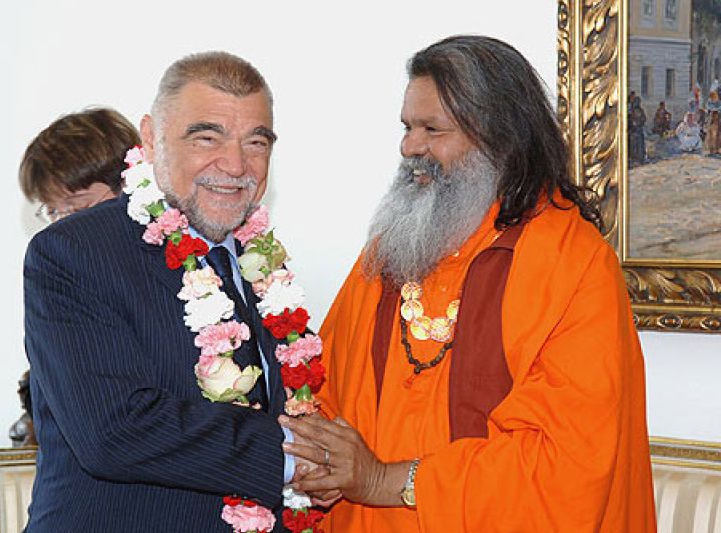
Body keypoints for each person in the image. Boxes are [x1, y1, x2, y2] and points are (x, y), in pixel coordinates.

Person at [281, 35, 656, 532]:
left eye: (432, 129)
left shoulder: (572, 264)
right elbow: (325, 387)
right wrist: (318, 462)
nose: (409, 147)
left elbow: (565, 464)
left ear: (498, 139)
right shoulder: (395, 247)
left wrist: (384, 481)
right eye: (407, 127)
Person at [23, 52, 307, 532]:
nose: (235, 164)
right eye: (207, 137)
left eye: (256, 142)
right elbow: (113, 430)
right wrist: (300, 459)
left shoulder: (262, 263)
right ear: (151, 138)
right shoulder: (75, 251)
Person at [12, 107, 142, 447]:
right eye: (54, 211)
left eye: (77, 206)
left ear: (129, 185)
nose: (64, 224)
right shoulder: (56, 268)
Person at [629, 95, 647, 165]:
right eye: (636, 102)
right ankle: (635, 159)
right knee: (634, 146)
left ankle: (640, 159)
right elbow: (630, 119)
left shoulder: (640, 110)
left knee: (639, 146)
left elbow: (644, 118)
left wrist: (639, 122)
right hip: (634, 131)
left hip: (638, 130)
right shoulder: (631, 111)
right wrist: (633, 123)